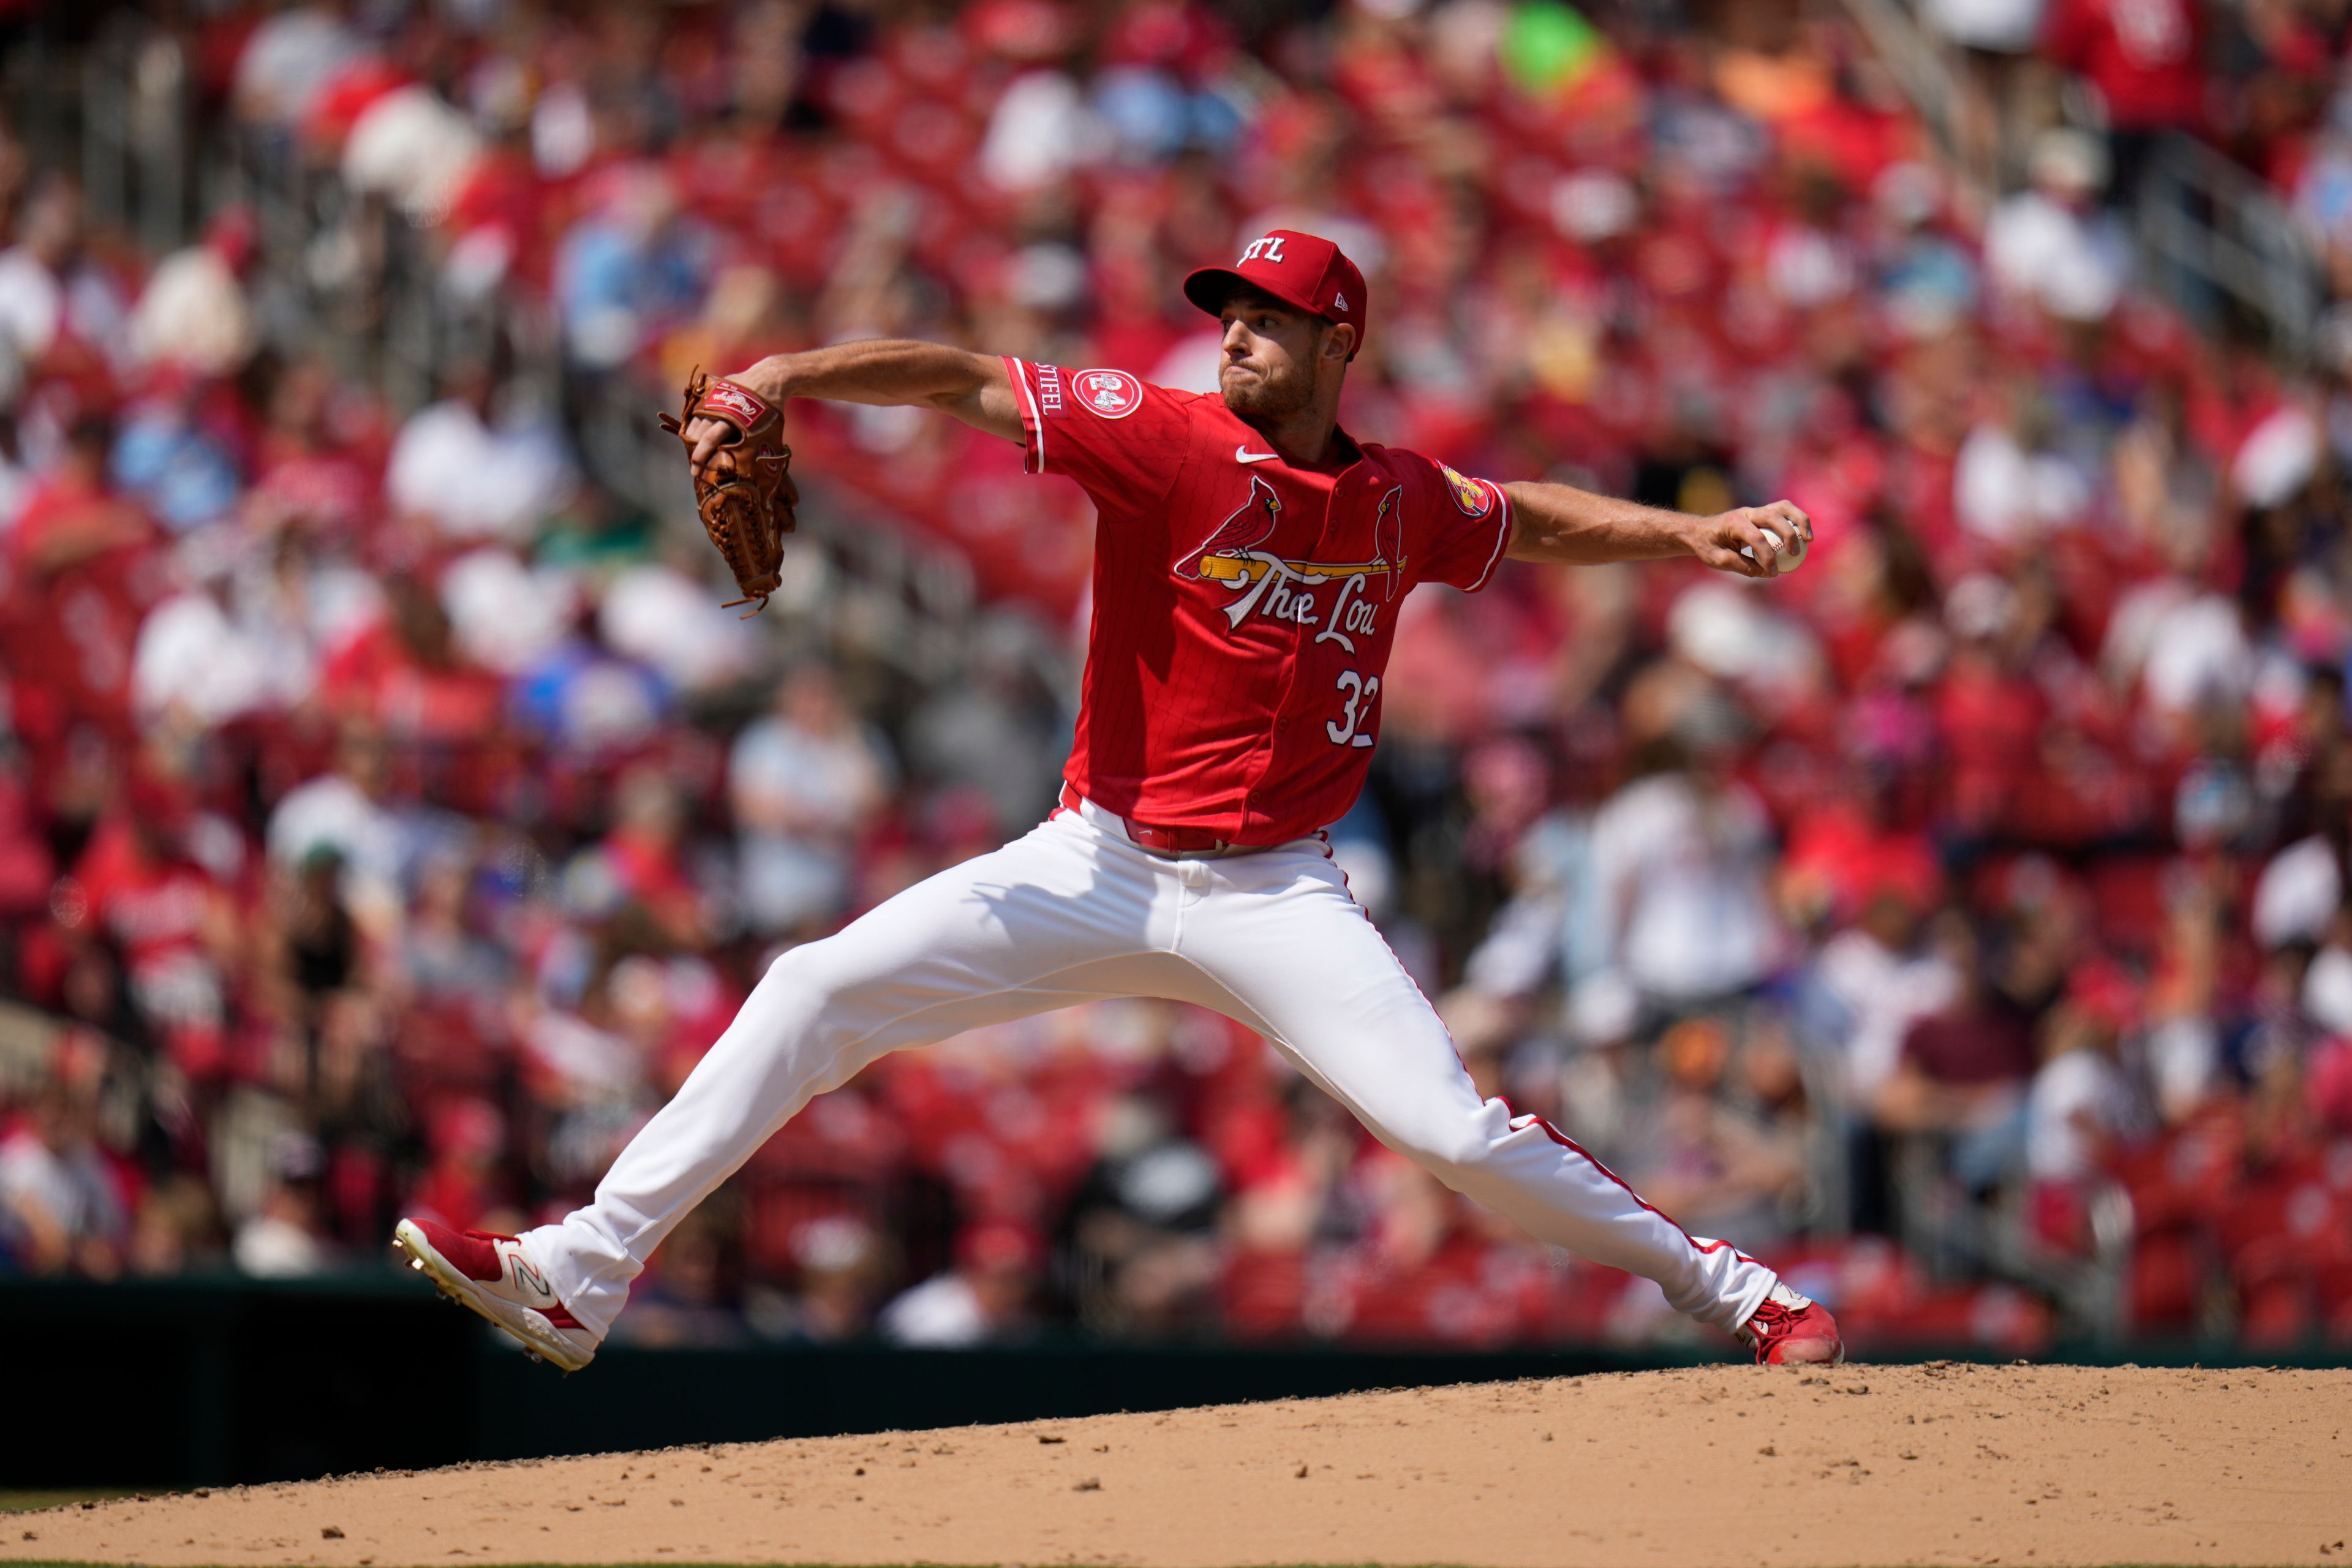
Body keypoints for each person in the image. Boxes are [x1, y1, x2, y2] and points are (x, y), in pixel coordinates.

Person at [393, 228, 1839, 1370]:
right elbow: (964, 377)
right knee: (812, 984)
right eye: (1228, 310)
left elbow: (1526, 516)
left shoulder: (1399, 495)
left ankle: (1741, 1293)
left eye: (1267, 316)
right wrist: (786, 375)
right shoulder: (1167, 436)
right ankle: (578, 1273)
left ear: (1340, 342)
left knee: (1454, 1138)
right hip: (1095, 859)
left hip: (1279, 889)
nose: (1236, 332)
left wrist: (1689, 534)